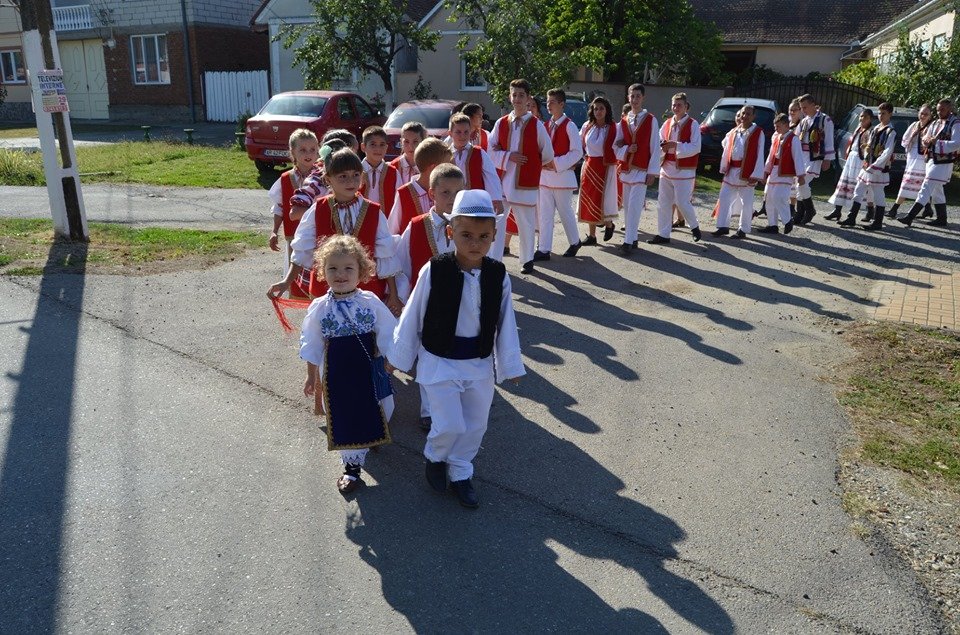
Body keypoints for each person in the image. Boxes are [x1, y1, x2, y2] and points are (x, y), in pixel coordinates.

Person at [390, 189, 525, 509]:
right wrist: (398, 357)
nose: (474, 243)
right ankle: (436, 457)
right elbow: (412, 315)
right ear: (450, 232)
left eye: (483, 236)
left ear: (494, 236)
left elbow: (506, 321)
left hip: (478, 364)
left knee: (476, 424)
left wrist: (510, 365)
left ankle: (462, 471)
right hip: (440, 363)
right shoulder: (434, 270)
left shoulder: (497, 275)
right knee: (449, 423)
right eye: (466, 235)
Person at [300, 235, 397, 495]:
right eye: (332, 268)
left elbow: (389, 331)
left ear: (361, 271)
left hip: (368, 367)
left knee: (384, 405)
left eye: (348, 268)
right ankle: (351, 469)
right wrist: (312, 377)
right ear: (322, 271)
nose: (340, 274)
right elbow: (311, 343)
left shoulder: (370, 301)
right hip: (337, 372)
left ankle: (371, 436)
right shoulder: (320, 307)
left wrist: (390, 362)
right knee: (346, 415)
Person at [267, 148, 401, 314]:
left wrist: (393, 294)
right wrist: (286, 281)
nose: (350, 181)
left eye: (355, 175)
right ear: (328, 179)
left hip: (366, 291)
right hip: (327, 291)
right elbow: (303, 248)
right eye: (343, 176)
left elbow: (385, 254)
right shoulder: (318, 209)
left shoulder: (373, 211)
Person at [395, 163, 464, 431]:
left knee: (456, 355)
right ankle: (428, 410)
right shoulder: (415, 227)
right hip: (426, 307)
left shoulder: (468, 226)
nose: (452, 199)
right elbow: (402, 265)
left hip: (460, 307)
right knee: (428, 358)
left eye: (458, 193)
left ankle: (454, 400)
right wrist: (404, 298)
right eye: (445, 192)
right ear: (432, 193)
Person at [489, 78, 554, 274]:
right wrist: (509, 156)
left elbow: (547, 153)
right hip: (503, 183)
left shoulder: (537, 125)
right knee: (498, 221)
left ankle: (527, 260)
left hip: (525, 183)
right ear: (510, 97)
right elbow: (490, 150)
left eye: (521, 95)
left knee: (525, 222)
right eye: (514, 95)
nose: (517, 99)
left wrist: (531, 168)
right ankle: (494, 259)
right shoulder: (501, 123)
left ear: (528, 99)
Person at [267, 128, 318, 299]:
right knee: (296, 272)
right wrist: (274, 231)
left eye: (312, 149)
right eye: (302, 150)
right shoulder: (285, 178)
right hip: (294, 236)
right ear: (292, 152)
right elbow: (279, 207)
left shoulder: (324, 176)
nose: (308, 154)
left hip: (319, 235)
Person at [649, 92, 702, 245]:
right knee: (663, 202)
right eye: (674, 104)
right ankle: (663, 234)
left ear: (686, 107)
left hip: (684, 169)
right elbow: (658, 141)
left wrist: (676, 145)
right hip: (666, 167)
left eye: (679, 105)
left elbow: (695, 147)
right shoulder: (666, 123)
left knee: (682, 202)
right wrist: (662, 147)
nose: (676, 107)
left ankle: (694, 226)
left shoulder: (693, 124)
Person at [538, 88, 585, 259]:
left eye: (552, 102)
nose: (548, 105)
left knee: (565, 213)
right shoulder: (545, 125)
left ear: (561, 104)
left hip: (562, 178)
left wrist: (556, 163)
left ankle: (574, 241)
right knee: (545, 214)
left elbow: (577, 152)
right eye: (547, 101)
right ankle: (544, 249)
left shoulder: (570, 125)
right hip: (544, 177)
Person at [898, 98, 959, 227]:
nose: (939, 112)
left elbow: (957, 143)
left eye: (942, 109)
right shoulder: (936, 122)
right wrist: (926, 140)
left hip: (944, 161)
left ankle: (910, 216)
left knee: (926, 186)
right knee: (937, 190)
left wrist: (937, 143)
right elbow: (926, 136)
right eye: (938, 109)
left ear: (950, 108)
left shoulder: (955, 123)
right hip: (931, 159)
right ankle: (942, 218)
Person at [614, 83, 660, 254]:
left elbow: (655, 146)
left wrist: (652, 172)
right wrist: (626, 149)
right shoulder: (624, 120)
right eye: (632, 96)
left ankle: (627, 242)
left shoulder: (651, 120)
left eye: (638, 96)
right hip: (626, 170)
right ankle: (633, 240)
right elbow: (616, 145)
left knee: (633, 207)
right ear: (628, 97)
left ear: (643, 98)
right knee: (627, 206)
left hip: (641, 170)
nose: (634, 100)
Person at [713, 105, 765, 239]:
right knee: (724, 198)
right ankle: (723, 226)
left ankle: (743, 229)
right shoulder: (735, 130)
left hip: (747, 172)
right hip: (731, 170)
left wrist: (756, 174)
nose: (744, 116)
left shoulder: (758, 132)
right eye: (743, 113)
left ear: (753, 116)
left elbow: (760, 154)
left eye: (748, 114)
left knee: (746, 203)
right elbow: (725, 144)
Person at [844, 102, 897, 230]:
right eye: (879, 113)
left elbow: (887, 151)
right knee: (858, 190)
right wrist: (867, 152)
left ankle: (878, 222)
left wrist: (876, 166)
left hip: (878, 168)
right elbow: (869, 146)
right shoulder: (876, 128)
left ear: (890, 114)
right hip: (867, 165)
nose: (881, 116)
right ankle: (851, 218)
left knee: (878, 193)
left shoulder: (891, 132)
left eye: (884, 113)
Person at [448, 112, 505, 228]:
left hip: (475, 202)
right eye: (458, 132)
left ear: (470, 132)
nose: (462, 136)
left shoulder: (479, 153)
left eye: (466, 132)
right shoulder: (446, 154)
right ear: (450, 133)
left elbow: (491, 176)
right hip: (452, 201)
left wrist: (496, 198)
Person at [388, 137, 453, 235]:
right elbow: (392, 232)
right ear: (433, 168)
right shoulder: (404, 193)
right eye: (446, 166)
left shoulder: (448, 191)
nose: (450, 169)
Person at [577, 96, 619, 246]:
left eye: (601, 108)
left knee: (605, 198)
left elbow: (620, 145)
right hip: (589, 166)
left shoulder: (614, 127)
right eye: (595, 108)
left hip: (606, 167)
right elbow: (579, 144)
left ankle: (609, 224)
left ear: (606, 110)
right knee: (589, 199)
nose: (598, 111)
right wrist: (582, 158)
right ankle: (592, 236)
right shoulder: (587, 126)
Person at [824, 109, 873, 222]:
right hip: (851, 158)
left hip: (861, 161)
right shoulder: (858, 129)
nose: (862, 119)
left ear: (870, 119)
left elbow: (869, 148)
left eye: (865, 117)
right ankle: (837, 210)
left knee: (862, 187)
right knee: (844, 184)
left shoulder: (870, 131)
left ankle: (870, 211)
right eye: (861, 116)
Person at [759, 113, 804, 234]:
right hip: (774, 171)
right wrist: (765, 172)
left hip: (786, 172)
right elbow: (770, 156)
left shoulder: (793, 139)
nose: (776, 129)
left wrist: (800, 175)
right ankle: (772, 225)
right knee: (769, 198)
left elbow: (798, 157)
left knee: (779, 197)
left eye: (778, 126)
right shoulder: (776, 138)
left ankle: (787, 219)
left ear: (785, 125)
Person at [887, 104, 934, 220]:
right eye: (921, 113)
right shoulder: (914, 125)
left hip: (923, 160)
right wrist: (910, 140)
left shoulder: (932, 127)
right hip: (912, 157)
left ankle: (894, 209)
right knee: (914, 185)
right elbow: (904, 139)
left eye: (926, 114)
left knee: (916, 186)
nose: (923, 116)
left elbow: (931, 142)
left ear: (930, 115)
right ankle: (928, 208)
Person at [794, 93, 835, 225]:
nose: (803, 110)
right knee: (799, 184)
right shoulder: (804, 121)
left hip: (814, 157)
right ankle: (800, 213)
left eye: (805, 107)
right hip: (802, 156)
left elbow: (829, 140)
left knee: (803, 182)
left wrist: (827, 159)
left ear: (813, 104)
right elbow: (796, 138)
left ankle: (809, 210)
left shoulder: (825, 120)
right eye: (801, 108)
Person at [358, 126, 400, 217]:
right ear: (363, 147)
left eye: (382, 145)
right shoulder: (355, 171)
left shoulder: (393, 172)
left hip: (386, 223)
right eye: (373, 144)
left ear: (386, 147)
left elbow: (399, 202)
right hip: (359, 222)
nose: (378, 149)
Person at [392, 121, 427, 186]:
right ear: (401, 142)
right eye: (406, 141)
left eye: (415, 141)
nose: (410, 146)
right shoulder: (393, 167)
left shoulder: (428, 167)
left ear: (423, 141)